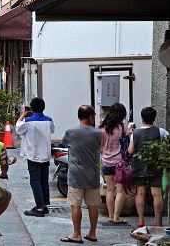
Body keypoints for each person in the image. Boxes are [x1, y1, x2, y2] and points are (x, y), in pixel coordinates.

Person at [60, 105, 101, 243]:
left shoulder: (71, 132)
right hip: (93, 174)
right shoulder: (98, 133)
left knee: (75, 204)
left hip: (76, 174)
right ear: (90, 117)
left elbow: (64, 143)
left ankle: (77, 234)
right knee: (93, 205)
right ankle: (92, 233)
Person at [128, 107, 168, 228]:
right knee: (157, 194)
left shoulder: (135, 133)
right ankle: (157, 221)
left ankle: (140, 220)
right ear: (154, 118)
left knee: (140, 193)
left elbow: (130, 151)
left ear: (142, 118)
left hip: (138, 167)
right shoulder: (161, 131)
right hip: (155, 166)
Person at [15, 97, 55, 217]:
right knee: (44, 180)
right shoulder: (49, 120)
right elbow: (53, 130)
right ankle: (44, 205)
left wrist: (22, 115)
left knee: (35, 181)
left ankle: (39, 208)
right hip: (46, 155)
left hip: (33, 155)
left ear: (31, 109)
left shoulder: (27, 121)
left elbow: (18, 129)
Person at [99, 102, 131, 224]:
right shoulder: (123, 127)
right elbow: (129, 140)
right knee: (120, 190)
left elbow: (99, 147)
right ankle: (117, 217)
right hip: (119, 162)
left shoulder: (102, 128)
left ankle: (110, 216)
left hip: (106, 162)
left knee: (110, 190)